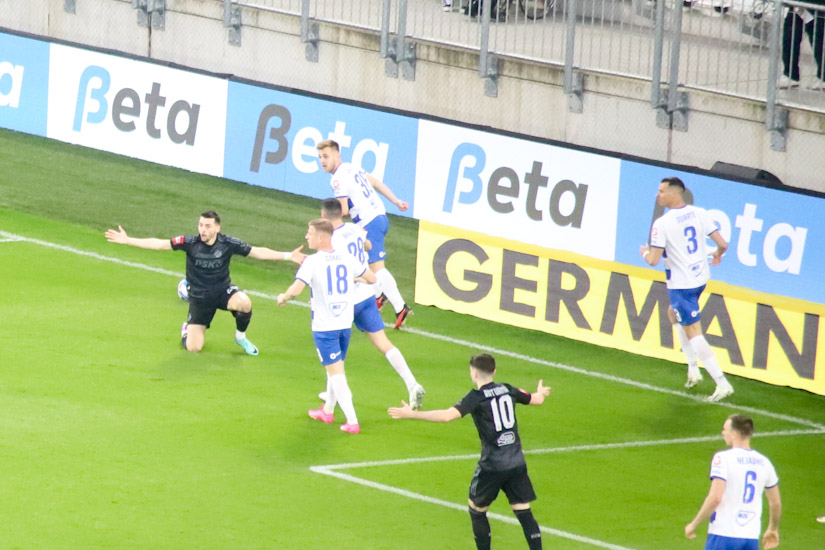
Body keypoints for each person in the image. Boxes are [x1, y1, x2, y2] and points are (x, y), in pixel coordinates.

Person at [388, 353, 550, 550]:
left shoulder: (476, 397)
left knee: (477, 510)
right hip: (516, 462)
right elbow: (536, 400)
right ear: (494, 371)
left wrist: (412, 414)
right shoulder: (507, 389)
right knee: (524, 512)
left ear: (474, 374)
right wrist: (540, 392)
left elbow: (446, 416)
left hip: (492, 465)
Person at [105, 211, 304, 355]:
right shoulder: (189, 242)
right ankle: (187, 329)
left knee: (244, 303)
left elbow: (257, 252)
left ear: (217, 228)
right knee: (194, 348)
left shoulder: (228, 243)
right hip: (200, 298)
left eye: (208, 226)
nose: (203, 229)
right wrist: (128, 240)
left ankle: (240, 338)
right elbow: (159, 244)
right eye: (200, 225)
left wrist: (288, 255)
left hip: (222, 291)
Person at [319, 198, 426, 409]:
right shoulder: (354, 228)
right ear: (342, 212)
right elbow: (368, 245)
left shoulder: (331, 240)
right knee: (384, 344)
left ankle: (332, 401)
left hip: (345, 301)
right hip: (367, 296)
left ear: (323, 216)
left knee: (334, 351)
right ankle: (412, 384)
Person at [277, 219, 377, 434]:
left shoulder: (312, 262)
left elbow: (296, 290)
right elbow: (371, 278)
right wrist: (355, 280)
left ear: (321, 237)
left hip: (325, 327)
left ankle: (352, 421)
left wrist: (283, 297)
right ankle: (328, 411)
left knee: (336, 373)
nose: (307, 237)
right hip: (345, 324)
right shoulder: (347, 257)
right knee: (336, 367)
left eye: (310, 233)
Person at [640, 177, 735, 402]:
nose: (657, 195)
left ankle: (722, 383)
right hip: (700, 278)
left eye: (661, 191)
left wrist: (644, 252)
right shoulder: (699, 213)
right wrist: (717, 255)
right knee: (673, 314)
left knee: (694, 332)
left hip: (681, 285)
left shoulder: (662, 223)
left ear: (675, 193)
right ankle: (693, 369)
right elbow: (723, 244)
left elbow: (653, 260)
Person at [316, 139, 413, 329]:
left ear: (337, 156)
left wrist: (329, 222)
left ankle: (399, 306)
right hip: (380, 217)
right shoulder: (352, 167)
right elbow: (376, 183)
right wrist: (396, 201)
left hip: (369, 223)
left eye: (326, 156)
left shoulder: (337, 179)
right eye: (320, 157)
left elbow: (343, 210)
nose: (322, 161)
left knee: (377, 270)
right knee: (366, 264)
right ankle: (380, 296)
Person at [685, 414, 781, 550]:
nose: (723, 433)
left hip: (723, 535)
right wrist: (773, 528)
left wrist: (694, 524)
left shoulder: (723, 458)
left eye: (725, 429)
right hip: (750, 538)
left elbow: (715, 498)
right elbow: (775, 503)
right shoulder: (765, 463)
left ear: (734, 434)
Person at [779, 4, 825, 90]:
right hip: (799, 6)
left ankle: (823, 76)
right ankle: (790, 74)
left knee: (818, 39)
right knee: (790, 36)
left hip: (815, 7)